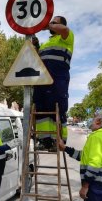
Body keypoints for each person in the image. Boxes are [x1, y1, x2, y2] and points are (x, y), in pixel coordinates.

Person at [32, 15, 74, 150]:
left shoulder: (66, 38)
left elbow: (64, 29)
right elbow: (39, 59)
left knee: (58, 108)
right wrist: (36, 47)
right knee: (41, 109)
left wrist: (46, 25)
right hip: (42, 81)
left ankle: (59, 140)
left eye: (54, 22)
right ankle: (45, 140)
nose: (51, 24)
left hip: (58, 80)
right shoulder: (46, 43)